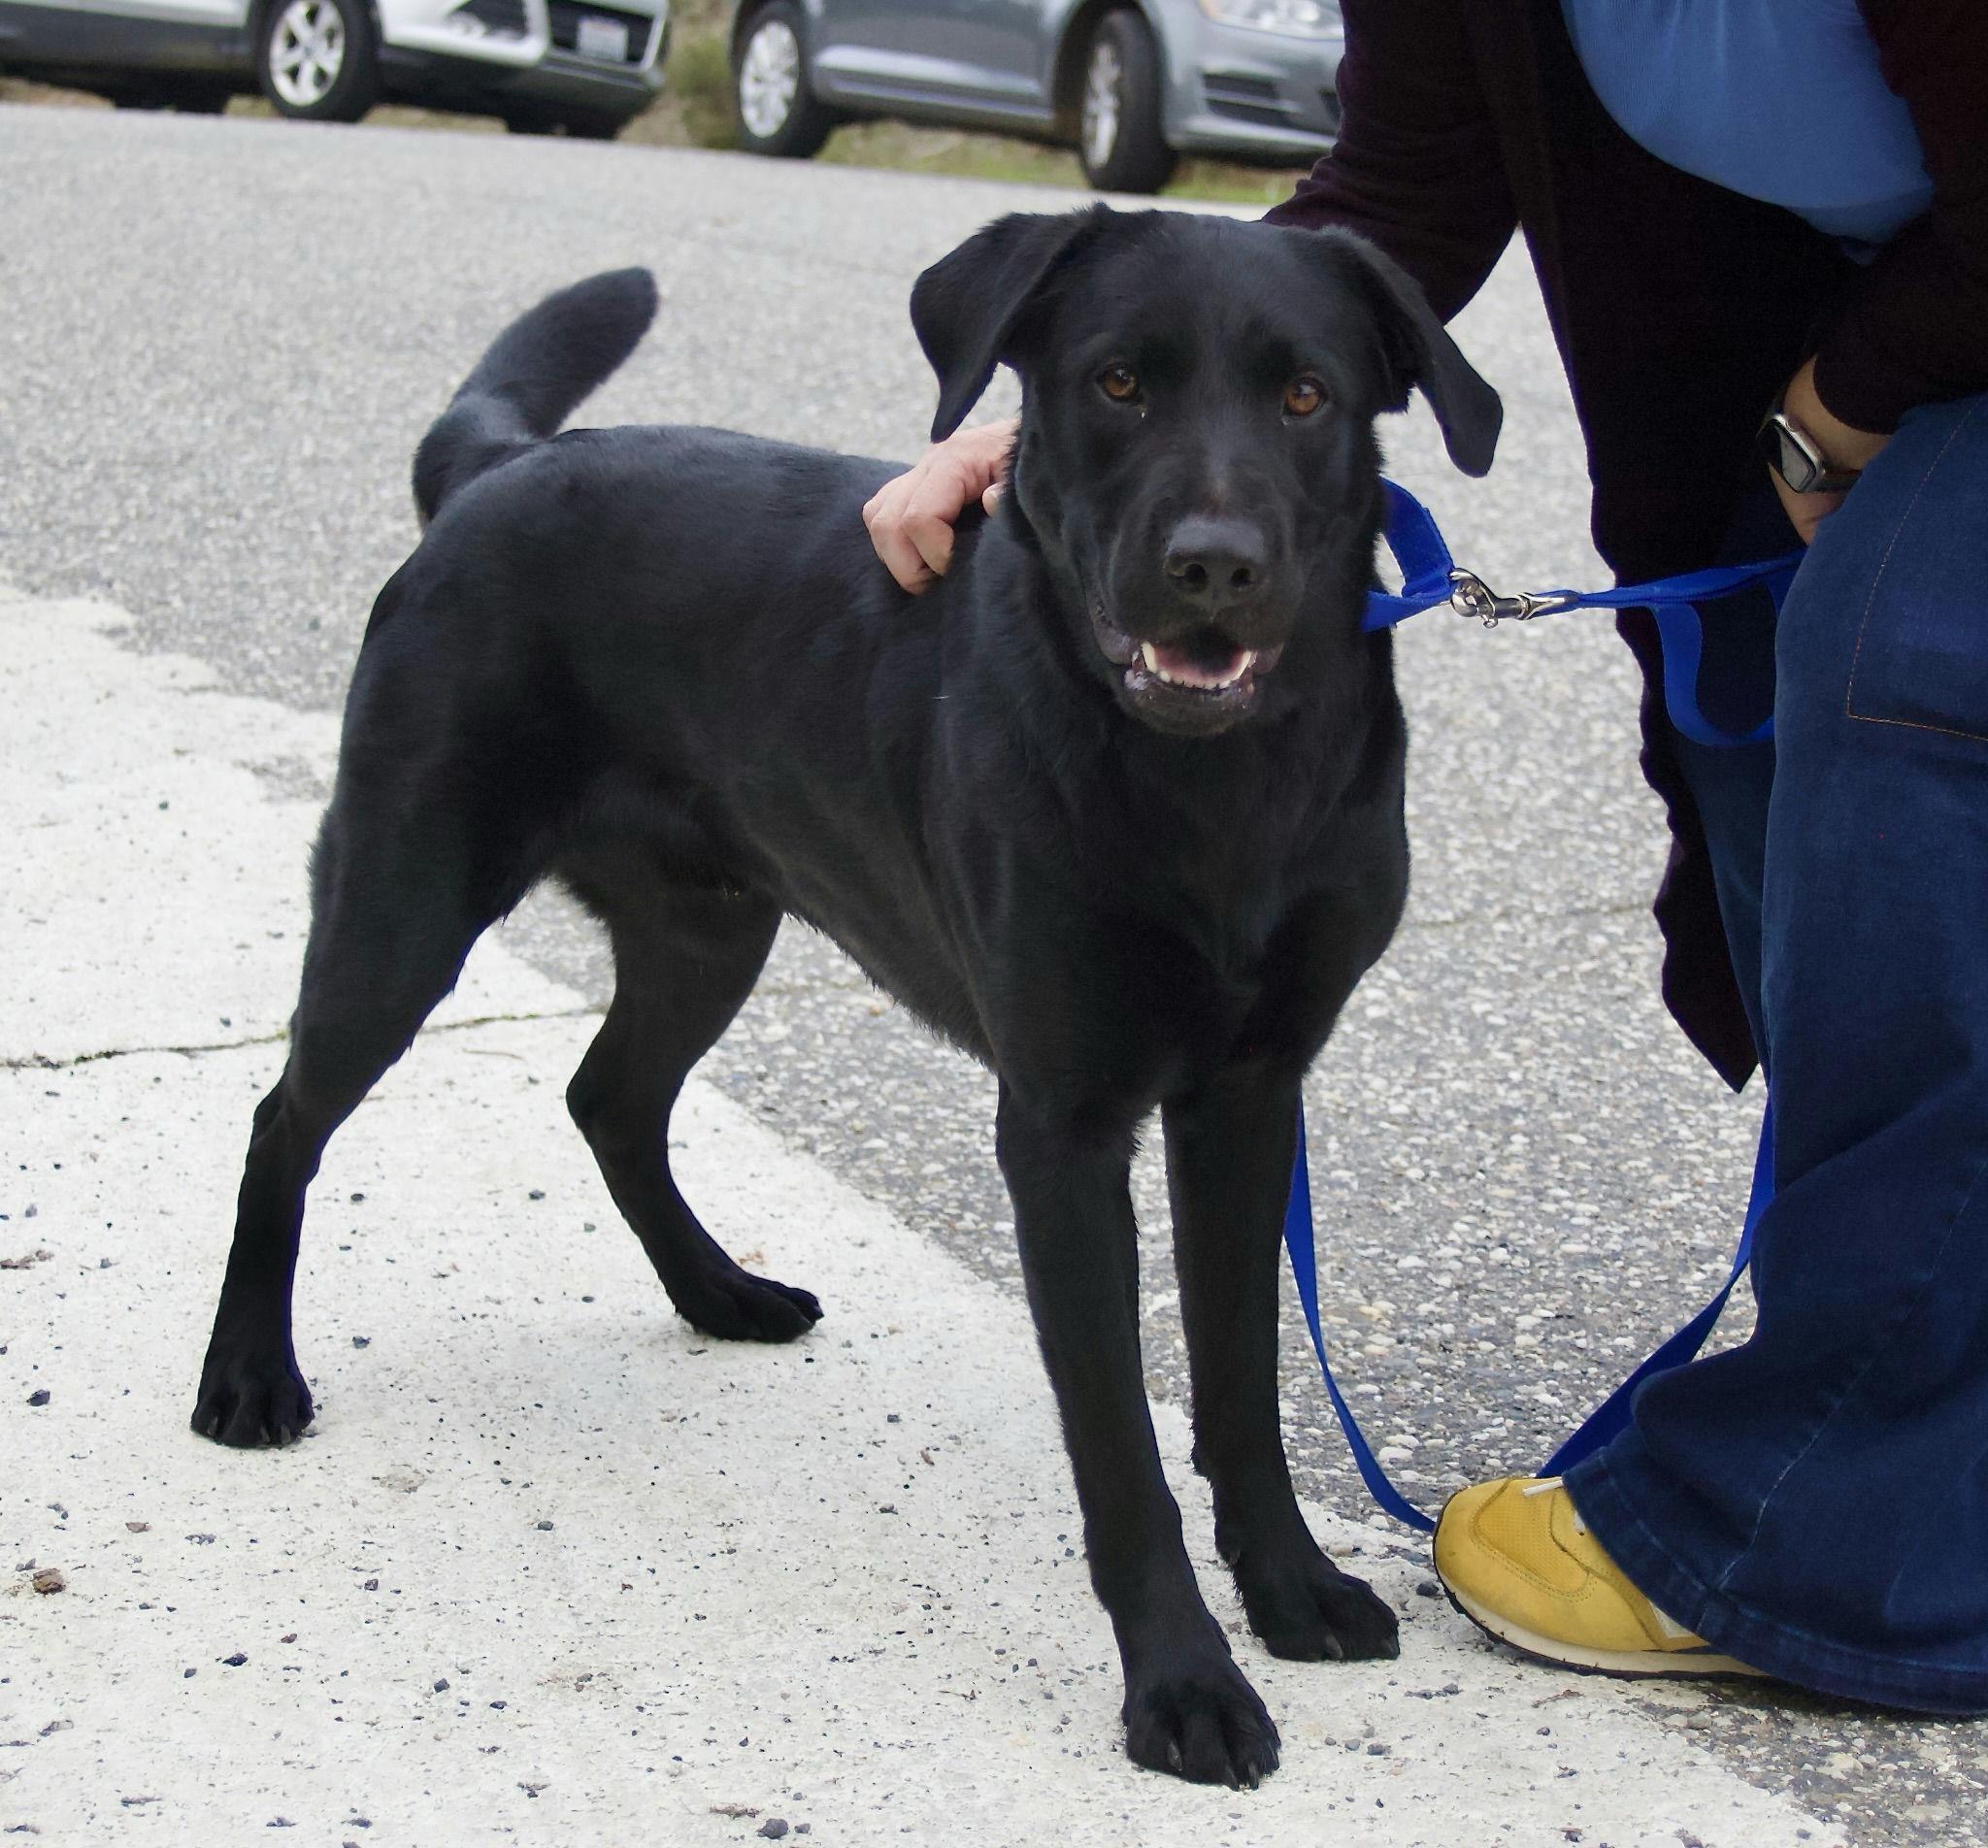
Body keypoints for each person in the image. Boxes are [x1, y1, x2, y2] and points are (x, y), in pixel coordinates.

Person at [862, 1, 1988, 1713]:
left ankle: (1852, 1521)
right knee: (1779, 829)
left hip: (1914, 349)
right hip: (1847, 355)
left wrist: (1839, 407)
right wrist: (1079, 435)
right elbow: (1389, 204)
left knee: (1901, 696)